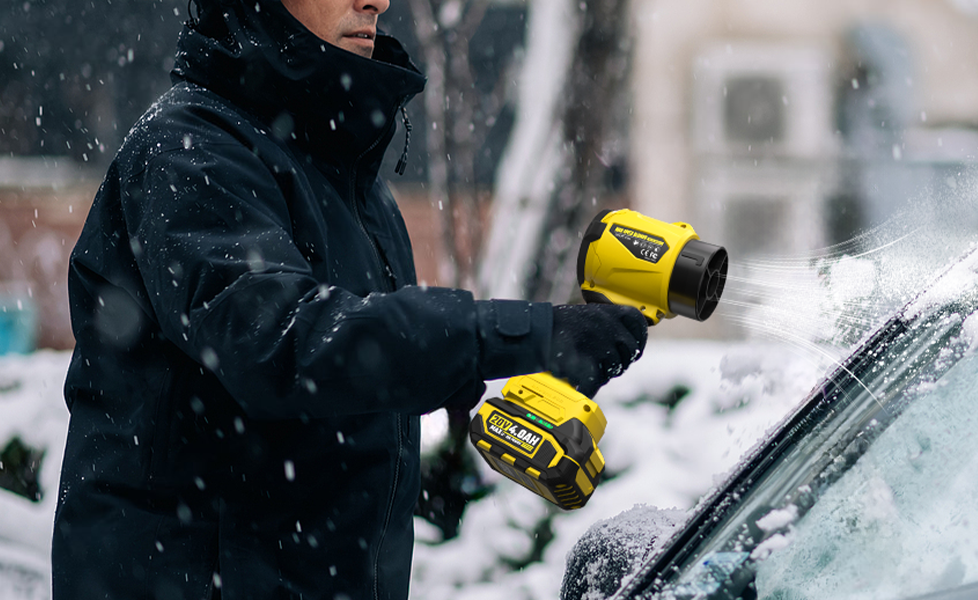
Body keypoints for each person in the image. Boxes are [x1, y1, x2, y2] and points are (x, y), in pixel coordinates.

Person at [52, 0, 648, 597]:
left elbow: (348, 374)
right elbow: (286, 343)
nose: (378, 0)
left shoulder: (348, 179)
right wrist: (519, 333)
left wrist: (458, 395)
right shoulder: (188, 151)